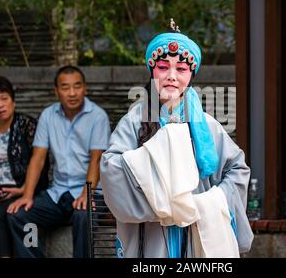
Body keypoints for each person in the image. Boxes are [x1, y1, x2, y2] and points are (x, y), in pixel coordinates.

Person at [100, 19, 254, 258]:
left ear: (191, 75)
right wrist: (163, 201)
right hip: (149, 235)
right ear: (152, 71)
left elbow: (237, 169)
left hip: (197, 229)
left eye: (181, 69)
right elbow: (111, 169)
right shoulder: (133, 122)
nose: (171, 76)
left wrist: (210, 201)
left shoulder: (208, 126)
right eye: (163, 67)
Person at [7, 66, 111, 258]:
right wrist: (27, 195)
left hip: (89, 190)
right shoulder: (48, 115)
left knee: (83, 216)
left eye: (77, 86)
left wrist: (86, 194)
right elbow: (38, 157)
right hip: (58, 192)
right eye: (65, 87)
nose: (72, 93)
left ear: (84, 88)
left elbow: (96, 159)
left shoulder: (98, 116)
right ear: (56, 91)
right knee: (18, 216)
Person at [0, 76, 49, 258]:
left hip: (24, 188)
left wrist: (24, 189)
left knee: (0, 214)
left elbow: (41, 163)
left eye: (4, 99)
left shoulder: (27, 126)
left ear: (13, 101)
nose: (0, 105)